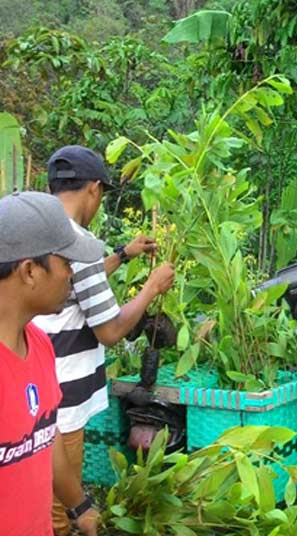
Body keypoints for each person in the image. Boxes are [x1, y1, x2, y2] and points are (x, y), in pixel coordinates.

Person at [31, 145, 175, 536]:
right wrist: (150, 288)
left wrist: (123, 256)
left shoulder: (38, 233)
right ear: (93, 189)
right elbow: (110, 330)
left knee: (39, 497)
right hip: (66, 399)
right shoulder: (79, 241)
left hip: (36, 388)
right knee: (58, 512)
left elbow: (77, 285)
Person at [0, 191, 104, 536]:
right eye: (66, 263)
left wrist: (81, 506)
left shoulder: (40, 344)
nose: (71, 275)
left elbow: (45, 429)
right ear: (30, 271)